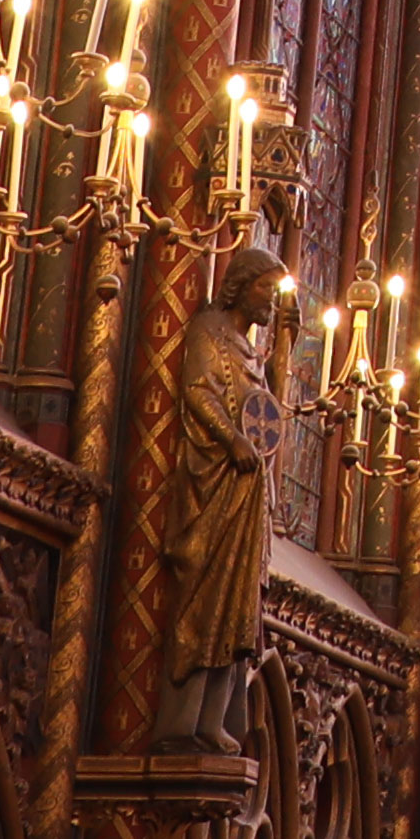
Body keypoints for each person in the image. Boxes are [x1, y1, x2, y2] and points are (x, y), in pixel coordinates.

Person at [148, 253, 276, 746]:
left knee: (239, 607)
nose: (271, 300)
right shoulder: (210, 329)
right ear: (242, 286)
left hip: (247, 494)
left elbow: (266, 416)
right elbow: (199, 392)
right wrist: (232, 441)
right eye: (266, 289)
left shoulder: (250, 350)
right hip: (214, 484)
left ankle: (212, 721)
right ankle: (185, 722)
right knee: (207, 597)